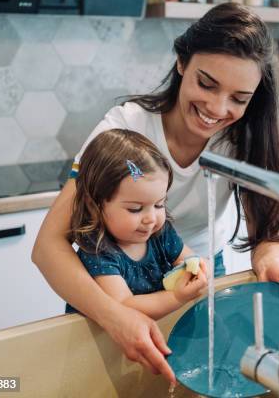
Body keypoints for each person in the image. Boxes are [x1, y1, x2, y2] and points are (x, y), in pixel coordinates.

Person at [32, 2, 279, 382]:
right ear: (182, 62)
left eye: (239, 98)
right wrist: (114, 314)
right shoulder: (125, 128)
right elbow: (47, 247)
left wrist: (270, 258)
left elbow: (267, 233)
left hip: (197, 273)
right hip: (111, 282)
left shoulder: (245, 137)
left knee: (193, 380)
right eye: (206, 83)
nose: (217, 109)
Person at [65, 129, 208, 319]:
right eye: (135, 209)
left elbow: (190, 260)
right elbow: (125, 305)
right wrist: (176, 297)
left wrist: (198, 269)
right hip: (98, 343)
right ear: (94, 206)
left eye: (159, 204)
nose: (151, 218)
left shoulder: (160, 234)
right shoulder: (98, 250)